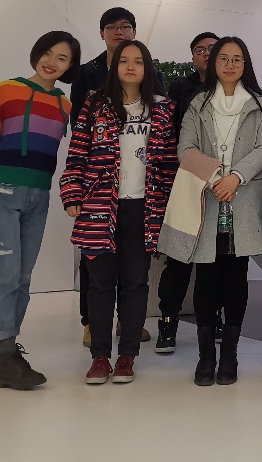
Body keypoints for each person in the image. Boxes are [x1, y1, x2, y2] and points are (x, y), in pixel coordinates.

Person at [60, 40, 177, 385]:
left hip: (145, 208)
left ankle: (127, 356)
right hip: (99, 206)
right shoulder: (95, 104)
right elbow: (77, 153)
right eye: (124, 60)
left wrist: (169, 205)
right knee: (99, 284)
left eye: (138, 61)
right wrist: (72, 193)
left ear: (147, 68)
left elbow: (169, 163)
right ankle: (99, 357)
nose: (130, 66)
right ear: (114, 67)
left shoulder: (163, 109)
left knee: (135, 282)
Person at [160, 36, 262, 386]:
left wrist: (236, 177)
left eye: (237, 59)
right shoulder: (198, 102)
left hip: (244, 197)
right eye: (223, 58)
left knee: (236, 279)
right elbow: (185, 148)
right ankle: (206, 356)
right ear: (213, 63)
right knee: (206, 280)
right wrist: (214, 177)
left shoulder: (258, 103)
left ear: (245, 64)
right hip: (206, 198)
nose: (229, 64)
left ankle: (230, 356)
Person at [0, 30, 81, 390]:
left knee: (21, 278)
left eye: (62, 58)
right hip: (2, 190)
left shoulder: (64, 105)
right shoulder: (7, 88)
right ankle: (5, 355)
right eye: (48, 53)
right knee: (3, 275)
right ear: (36, 53)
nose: (52, 62)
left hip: (39, 195)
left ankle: (4, 355)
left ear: (70, 66)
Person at [69, 7, 153, 347]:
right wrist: (77, 188)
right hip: (99, 192)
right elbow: (79, 133)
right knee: (94, 267)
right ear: (101, 33)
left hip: (139, 197)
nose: (119, 31)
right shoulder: (87, 73)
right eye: (112, 27)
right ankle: (91, 322)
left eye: (126, 26)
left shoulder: (152, 80)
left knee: (134, 273)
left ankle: (126, 324)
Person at [154, 30, 219, 354]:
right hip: (186, 179)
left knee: (214, 259)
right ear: (192, 57)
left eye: (212, 49)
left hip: (222, 183)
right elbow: (169, 135)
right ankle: (167, 322)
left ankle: (213, 320)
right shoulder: (180, 88)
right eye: (200, 50)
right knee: (179, 256)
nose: (206, 54)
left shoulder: (235, 89)